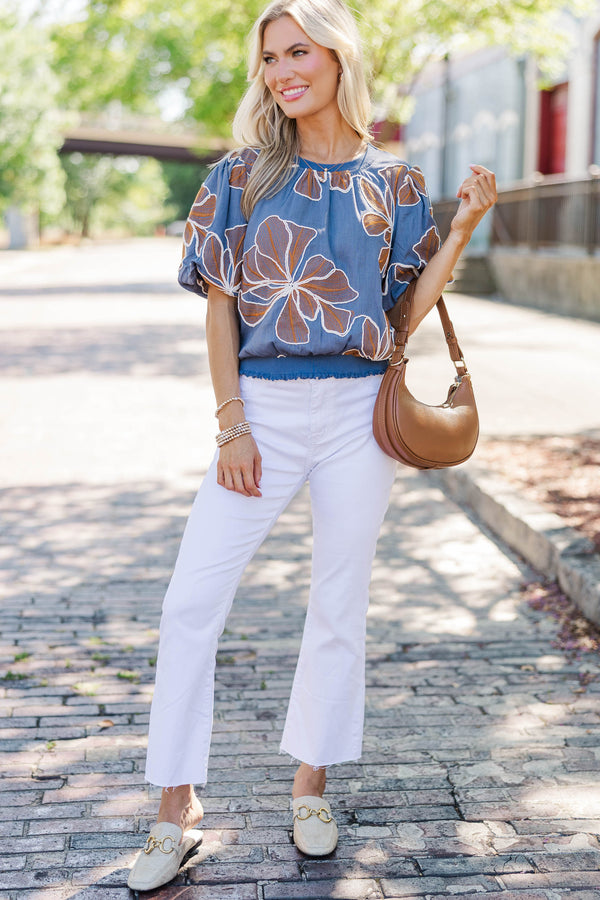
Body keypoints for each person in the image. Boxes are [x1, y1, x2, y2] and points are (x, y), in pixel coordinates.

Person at [127, 0, 497, 889]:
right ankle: (176, 808)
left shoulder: (394, 184)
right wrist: (232, 422)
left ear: (338, 58)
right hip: (264, 406)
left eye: (299, 52)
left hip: (358, 413)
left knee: (339, 603)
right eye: (270, 58)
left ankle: (310, 785)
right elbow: (220, 305)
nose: (283, 71)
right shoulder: (239, 177)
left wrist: (463, 230)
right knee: (189, 604)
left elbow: (403, 309)